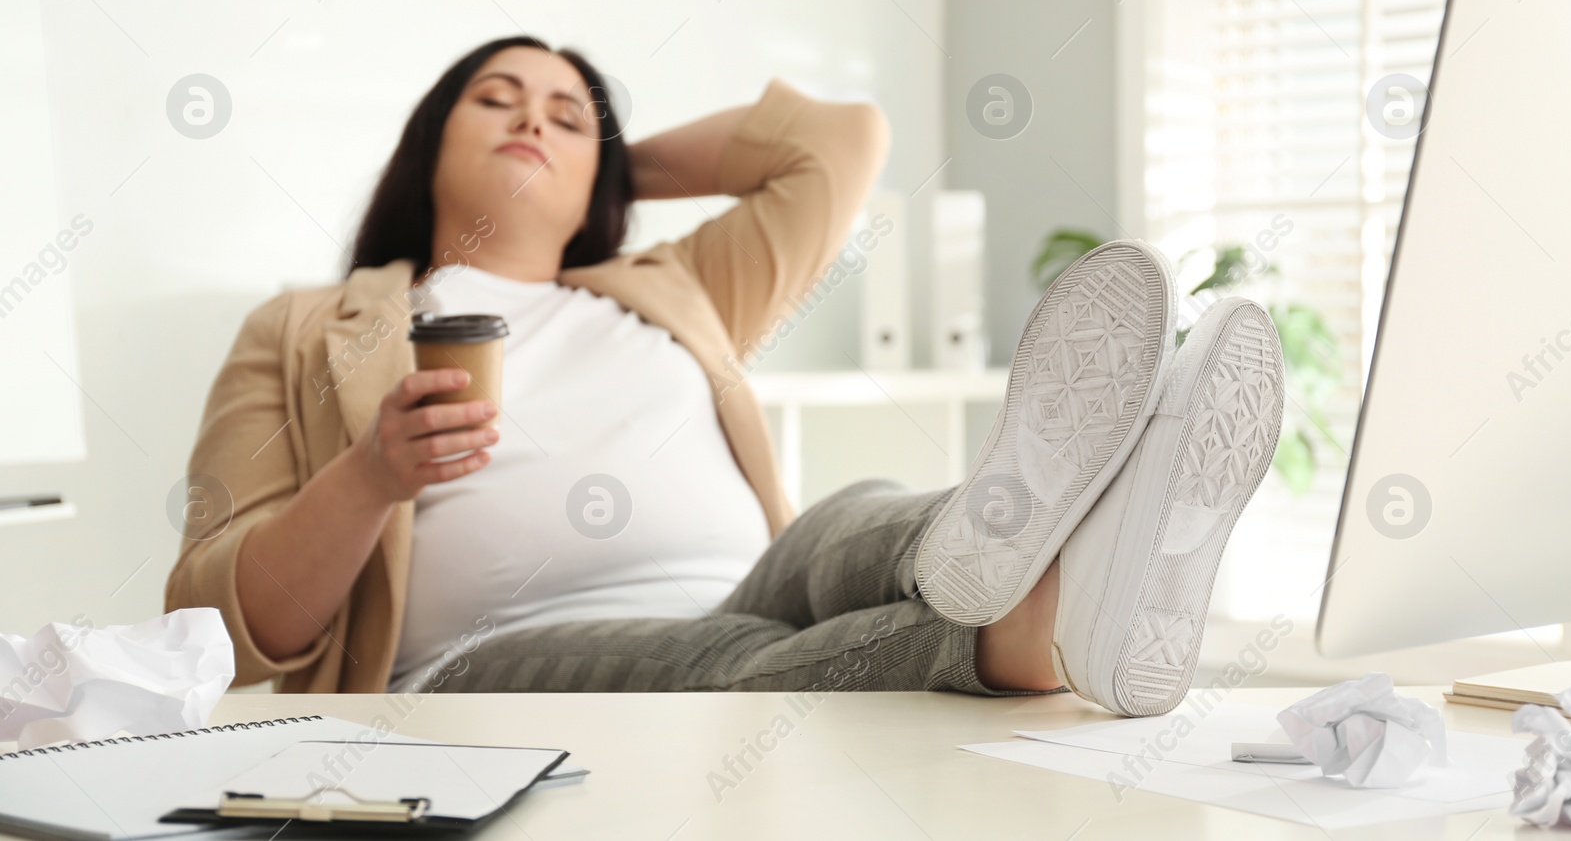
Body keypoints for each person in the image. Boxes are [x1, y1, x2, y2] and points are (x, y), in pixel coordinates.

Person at [166, 35, 1285, 714]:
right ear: (428, 139)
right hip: (474, 665)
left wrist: (604, 161)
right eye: (497, 100)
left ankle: (1049, 577)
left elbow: (841, 140)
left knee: (846, 517)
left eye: (567, 114)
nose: (533, 122)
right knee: (746, 656)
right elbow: (210, 611)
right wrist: (368, 477)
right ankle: (1078, 582)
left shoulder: (667, 284)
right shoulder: (313, 328)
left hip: (753, 583)